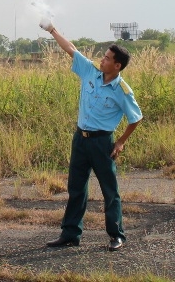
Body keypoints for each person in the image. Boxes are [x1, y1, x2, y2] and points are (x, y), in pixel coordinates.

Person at [40, 19, 143, 251]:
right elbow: (71, 50)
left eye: (107, 58)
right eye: (104, 55)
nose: (102, 59)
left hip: (101, 143)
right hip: (81, 140)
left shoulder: (122, 90)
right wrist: (53, 29)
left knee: (110, 190)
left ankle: (116, 235)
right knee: (76, 188)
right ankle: (70, 234)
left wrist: (120, 142)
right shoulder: (90, 73)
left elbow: (136, 118)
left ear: (117, 66)